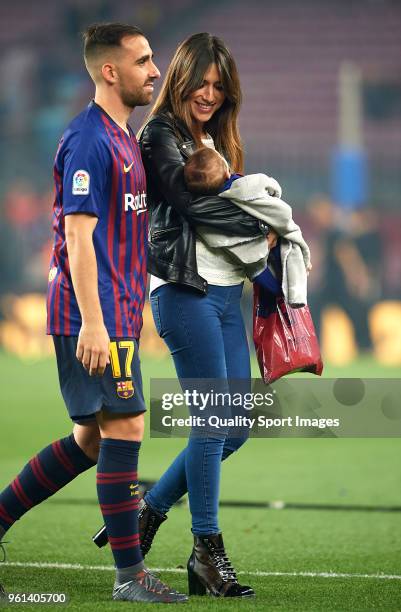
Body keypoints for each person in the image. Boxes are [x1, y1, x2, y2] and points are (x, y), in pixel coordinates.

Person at [0, 23, 187, 604]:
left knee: (88, 439)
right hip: (92, 312)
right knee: (126, 426)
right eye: (144, 61)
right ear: (110, 71)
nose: (155, 71)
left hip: (115, 310)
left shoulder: (125, 138)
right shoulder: (88, 140)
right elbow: (77, 239)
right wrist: (95, 321)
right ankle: (130, 576)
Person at [93, 32, 283, 598]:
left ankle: (148, 509)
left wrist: (264, 270)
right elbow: (191, 202)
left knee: (236, 429)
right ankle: (206, 552)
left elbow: (231, 204)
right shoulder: (159, 133)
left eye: (219, 87)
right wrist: (258, 226)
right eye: (200, 82)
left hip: (227, 296)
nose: (209, 94)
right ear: (180, 79)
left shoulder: (216, 136)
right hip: (184, 292)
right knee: (210, 422)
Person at [183, 146, 312, 307]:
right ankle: (295, 292)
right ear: (227, 172)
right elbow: (271, 188)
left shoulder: (206, 213)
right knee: (289, 251)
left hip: (251, 260)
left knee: (260, 274)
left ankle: (288, 294)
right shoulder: (244, 185)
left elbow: (216, 239)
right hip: (270, 239)